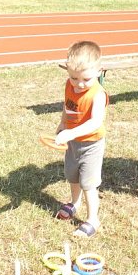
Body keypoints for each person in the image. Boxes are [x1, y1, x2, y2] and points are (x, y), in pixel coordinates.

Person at [53, 41, 109, 238]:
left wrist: (70, 133)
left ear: (99, 71)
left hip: (91, 144)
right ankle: (74, 203)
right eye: (73, 77)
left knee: (88, 182)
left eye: (85, 78)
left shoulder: (97, 95)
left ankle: (93, 218)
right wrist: (63, 124)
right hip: (73, 142)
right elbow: (67, 106)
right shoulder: (70, 85)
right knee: (72, 175)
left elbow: (95, 122)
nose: (79, 84)